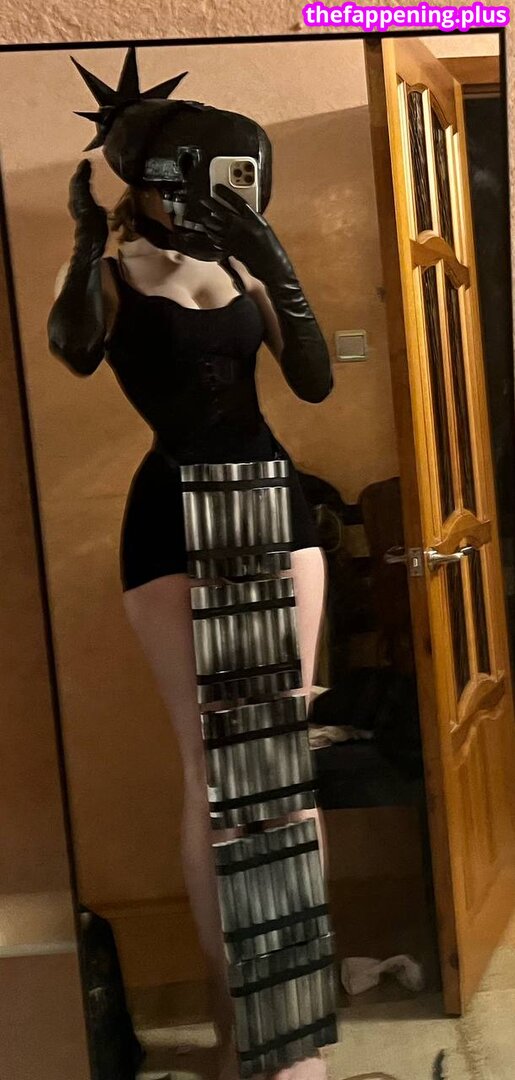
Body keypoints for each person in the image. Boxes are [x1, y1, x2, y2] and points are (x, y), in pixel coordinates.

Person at [48, 46, 334, 1080]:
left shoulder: (244, 270)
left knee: (282, 767)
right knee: (211, 776)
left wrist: (271, 253)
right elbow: (74, 350)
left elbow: (311, 383)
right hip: (171, 519)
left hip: (275, 508)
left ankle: (291, 1027)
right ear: (152, 180)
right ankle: (234, 1023)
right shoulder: (112, 275)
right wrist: (88, 240)